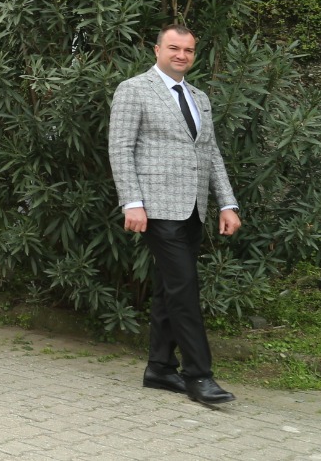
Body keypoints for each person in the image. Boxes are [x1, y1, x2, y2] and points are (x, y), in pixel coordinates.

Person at [108, 24, 241, 407]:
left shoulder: (199, 97)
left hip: (193, 208)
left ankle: (160, 368)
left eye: (188, 50)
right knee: (184, 288)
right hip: (156, 207)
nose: (181, 55)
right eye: (174, 48)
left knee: (170, 288)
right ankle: (199, 376)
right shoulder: (134, 89)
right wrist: (132, 201)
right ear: (157, 50)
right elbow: (120, 148)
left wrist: (227, 203)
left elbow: (210, 152)